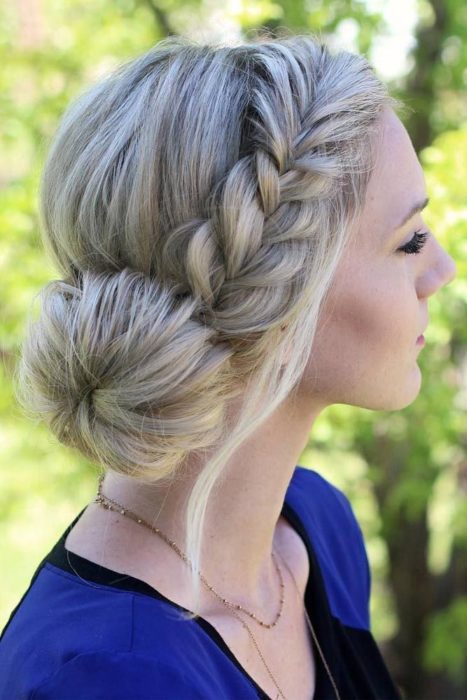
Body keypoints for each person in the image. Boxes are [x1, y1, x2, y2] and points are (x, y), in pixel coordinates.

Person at [0, 34, 456, 700]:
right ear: (281, 290)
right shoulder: (111, 677)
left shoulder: (316, 528)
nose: (439, 270)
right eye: (408, 240)